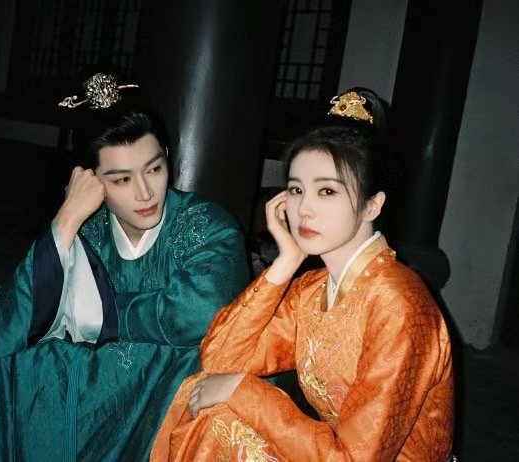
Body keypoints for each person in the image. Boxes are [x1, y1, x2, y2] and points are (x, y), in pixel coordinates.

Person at [0, 73, 250, 461]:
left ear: (167, 156)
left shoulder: (205, 224)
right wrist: (66, 219)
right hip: (100, 383)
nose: (145, 192)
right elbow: (6, 329)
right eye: (121, 179)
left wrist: (102, 314)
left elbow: (204, 311)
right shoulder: (90, 229)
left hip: (170, 384)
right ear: (92, 181)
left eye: (154, 169)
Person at [150, 88, 455, 461]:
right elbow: (220, 358)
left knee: (228, 407)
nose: (304, 208)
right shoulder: (312, 290)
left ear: (372, 205)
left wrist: (246, 392)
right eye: (296, 189)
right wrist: (285, 263)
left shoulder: (400, 305)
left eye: (326, 191)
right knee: (213, 407)